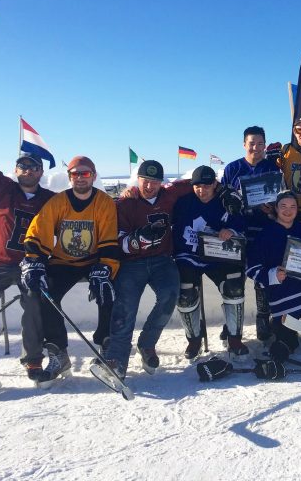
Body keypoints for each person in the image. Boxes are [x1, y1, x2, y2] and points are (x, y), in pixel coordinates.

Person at [0, 120, 56, 394]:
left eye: (34, 166)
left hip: (32, 265)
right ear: (15, 170)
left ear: (41, 172)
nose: (28, 170)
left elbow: (83, 207)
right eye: (23, 165)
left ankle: (33, 360)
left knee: (34, 301)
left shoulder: (51, 200)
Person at [21, 156, 120, 387]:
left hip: (94, 260)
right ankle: (59, 353)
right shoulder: (58, 202)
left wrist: (105, 267)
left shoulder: (104, 202)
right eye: (75, 173)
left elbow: (109, 238)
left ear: (93, 176)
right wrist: (34, 261)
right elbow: (38, 231)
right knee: (46, 293)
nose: (80, 178)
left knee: (108, 289)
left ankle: (106, 347)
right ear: (69, 177)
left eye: (85, 173)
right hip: (63, 261)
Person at [95, 161, 192, 379]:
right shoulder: (125, 204)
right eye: (145, 181)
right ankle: (116, 359)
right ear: (137, 180)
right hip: (132, 262)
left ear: (161, 182)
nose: (149, 186)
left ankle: (147, 343)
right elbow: (118, 242)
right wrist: (137, 240)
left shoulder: (169, 193)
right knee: (125, 306)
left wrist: (220, 187)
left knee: (170, 296)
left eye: (154, 182)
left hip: (162, 260)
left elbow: (195, 182)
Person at [172, 165, 247, 361]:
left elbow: (240, 224)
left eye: (206, 186)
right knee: (186, 293)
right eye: (197, 186)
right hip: (188, 256)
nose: (201, 190)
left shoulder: (225, 202)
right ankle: (194, 339)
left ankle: (234, 338)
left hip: (217, 256)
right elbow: (162, 194)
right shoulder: (182, 202)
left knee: (234, 286)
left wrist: (230, 231)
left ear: (215, 184)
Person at [222, 126, 283, 343]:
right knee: (234, 278)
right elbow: (222, 199)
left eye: (260, 144)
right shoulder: (232, 168)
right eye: (251, 143)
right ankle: (231, 322)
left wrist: (272, 208)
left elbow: (281, 200)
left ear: (264, 145)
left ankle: (262, 319)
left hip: (263, 230)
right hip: (237, 231)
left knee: (262, 276)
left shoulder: (272, 169)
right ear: (244, 144)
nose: (255, 148)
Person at [246, 190, 301, 366]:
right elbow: (252, 268)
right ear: (276, 208)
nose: (288, 210)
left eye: (293, 206)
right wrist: (273, 275)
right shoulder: (265, 235)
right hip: (281, 292)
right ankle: (283, 340)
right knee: (286, 337)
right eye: (283, 206)